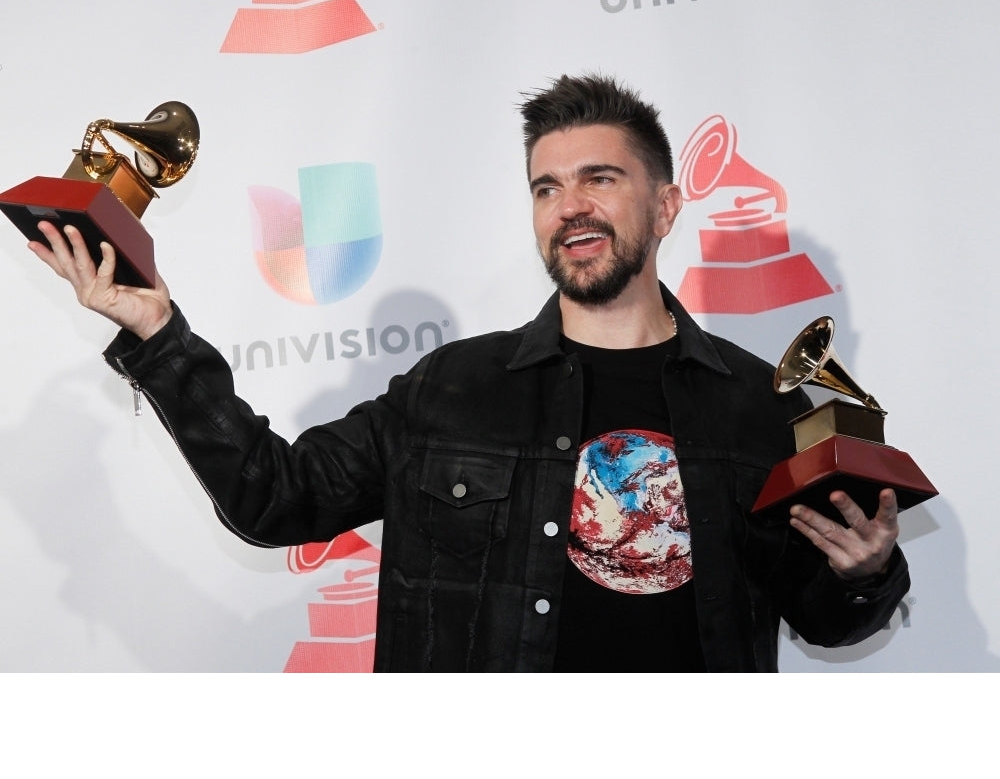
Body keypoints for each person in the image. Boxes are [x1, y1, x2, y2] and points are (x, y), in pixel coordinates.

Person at [29, 74, 909, 672]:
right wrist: (156, 333)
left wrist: (865, 571)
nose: (571, 208)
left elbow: (826, 618)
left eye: (600, 178)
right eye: (546, 186)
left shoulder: (764, 405)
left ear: (668, 204)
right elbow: (275, 496)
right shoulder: (451, 390)